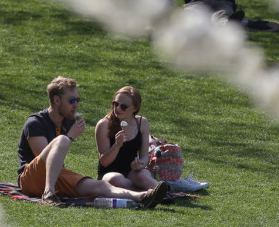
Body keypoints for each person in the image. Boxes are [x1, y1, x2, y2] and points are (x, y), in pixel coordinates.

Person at [17, 77, 169, 207]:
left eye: (77, 100)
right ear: (57, 100)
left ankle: (144, 197)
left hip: (58, 176)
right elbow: (43, 160)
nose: (76, 105)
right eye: (71, 100)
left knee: (100, 185)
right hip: (31, 179)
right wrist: (69, 137)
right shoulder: (35, 123)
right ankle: (48, 194)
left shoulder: (68, 122)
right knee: (62, 140)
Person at [95, 86, 162, 192]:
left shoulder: (142, 123)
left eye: (123, 107)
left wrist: (140, 164)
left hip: (132, 171)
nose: (117, 108)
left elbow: (144, 156)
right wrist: (117, 145)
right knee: (118, 181)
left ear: (135, 109)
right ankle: (147, 194)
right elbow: (104, 162)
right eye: (115, 104)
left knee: (144, 176)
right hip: (109, 173)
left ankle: (164, 193)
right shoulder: (103, 125)